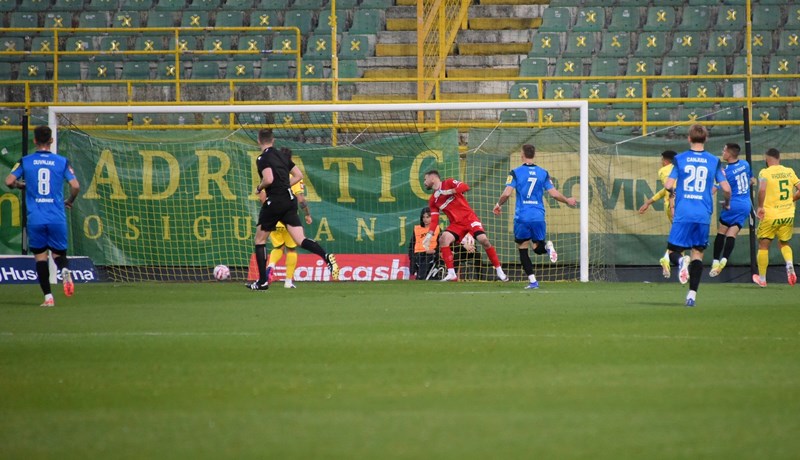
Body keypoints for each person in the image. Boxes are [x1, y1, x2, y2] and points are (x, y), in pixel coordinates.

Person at [249, 128, 338, 290]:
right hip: (289, 201)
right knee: (300, 240)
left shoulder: (263, 158)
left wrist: (259, 187)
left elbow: (268, 179)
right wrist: (283, 185)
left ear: (259, 141)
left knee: (260, 240)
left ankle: (262, 282)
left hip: (275, 201)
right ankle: (326, 256)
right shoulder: (282, 156)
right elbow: (298, 175)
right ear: (273, 140)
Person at [4, 125, 80, 307]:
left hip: (36, 217)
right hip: (56, 216)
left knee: (40, 257)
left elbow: (9, 181)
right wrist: (70, 200)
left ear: (35, 141)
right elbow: (75, 186)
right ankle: (65, 271)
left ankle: (48, 298)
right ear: (52, 141)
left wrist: (20, 186)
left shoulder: (26, 161)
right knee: (58, 254)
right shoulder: (61, 161)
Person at [663, 124, 730, 307]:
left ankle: (682, 261)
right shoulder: (713, 161)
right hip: (702, 214)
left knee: (672, 253)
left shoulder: (680, 159)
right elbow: (726, 188)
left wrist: (675, 193)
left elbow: (668, 185)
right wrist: (728, 202)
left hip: (684, 212)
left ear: (689, 138)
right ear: (705, 139)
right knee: (698, 253)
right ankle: (691, 296)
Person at [493, 144, 577, 289]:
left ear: (522, 155)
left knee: (523, 248)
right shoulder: (543, 173)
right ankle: (547, 247)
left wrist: (498, 204)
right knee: (538, 247)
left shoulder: (515, 172)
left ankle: (533, 281)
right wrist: (568, 200)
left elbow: (507, 193)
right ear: (534, 154)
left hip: (522, 217)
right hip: (538, 216)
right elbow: (554, 194)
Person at [422, 170, 508, 282]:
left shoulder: (449, 182)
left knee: (484, 240)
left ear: (432, 178)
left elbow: (465, 187)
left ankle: (499, 271)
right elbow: (434, 220)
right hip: (456, 224)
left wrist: (446, 192)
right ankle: (452, 274)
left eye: (425, 179)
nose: (424, 182)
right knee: (443, 239)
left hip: (469, 218)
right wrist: (429, 235)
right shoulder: (433, 200)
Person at [752, 148, 800, 287]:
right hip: (787, 214)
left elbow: (761, 189)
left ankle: (762, 279)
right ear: (779, 158)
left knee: (763, 245)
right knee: (784, 243)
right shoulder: (789, 171)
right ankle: (789, 265)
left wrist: (760, 207)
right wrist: (792, 199)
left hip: (771, 215)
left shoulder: (765, 172)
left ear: (767, 159)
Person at [709, 143, 753, 277]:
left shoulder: (725, 171)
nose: (722, 152)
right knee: (732, 233)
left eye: (724, 150)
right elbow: (751, 180)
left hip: (733, 204)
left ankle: (716, 261)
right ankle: (724, 260)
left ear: (729, 153)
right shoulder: (745, 164)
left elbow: (714, 190)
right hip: (745, 204)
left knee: (722, 231)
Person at [264, 174, 312, 289]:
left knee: (278, 247)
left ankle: (271, 266)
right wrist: (307, 214)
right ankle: (288, 281)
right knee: (291, 249)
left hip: (273, 217)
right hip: (288, 219)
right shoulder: (293, 177)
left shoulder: (271, 176)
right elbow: (301, 199)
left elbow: (262, 196)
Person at [638, 150, 679, 279]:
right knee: (682, 236)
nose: (661, 162)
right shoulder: (678, 168)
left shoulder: (664, 170)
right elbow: (669, 188)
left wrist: (648, 202)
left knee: (680, 236)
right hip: (676, 206)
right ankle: (668, 259)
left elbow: (667, 188)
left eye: (662, 160)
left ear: (665, 160)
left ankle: (676, 263)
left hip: (674, 206)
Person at [408, 207, 440, 280]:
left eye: (428, 217)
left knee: (427, 260)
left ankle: (421, 277)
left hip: (431, 254)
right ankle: (421, 277)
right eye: (424, 217)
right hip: (418, 255)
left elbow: (440, 245)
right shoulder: (417, 229)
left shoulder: (437, 229)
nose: (425, 219)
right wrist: (411, 257)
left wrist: (435, 251)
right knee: (422, 261)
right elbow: (411, 245)